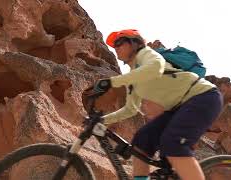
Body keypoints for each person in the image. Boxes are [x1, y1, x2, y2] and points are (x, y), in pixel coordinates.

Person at [94, 29, 223, 180]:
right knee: (141, 142)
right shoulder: (134, 76)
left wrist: (111, 82)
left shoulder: (146, 54)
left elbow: (155, 67)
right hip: (179, 107)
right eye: (114, 46)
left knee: (173, 144)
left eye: (119, 43)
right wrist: (102, 120)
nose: (115, 48)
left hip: (203, 97)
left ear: (134, 43)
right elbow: (130, 109)